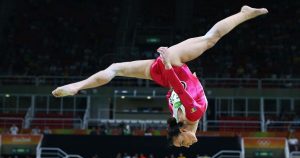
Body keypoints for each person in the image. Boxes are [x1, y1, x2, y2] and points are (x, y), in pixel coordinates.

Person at [52, 6, 268, 147]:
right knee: (115, 68)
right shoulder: (180, 116)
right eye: (183, 144)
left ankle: (244, 13)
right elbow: (176, 92)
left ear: (183, 130)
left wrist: (168, 65)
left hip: (171, 65)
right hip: (163, 74)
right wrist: (189, 80)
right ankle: (77, 86)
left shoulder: (194, 114)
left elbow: (179, 89)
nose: (187, 145)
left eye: (182, 143)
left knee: (211, 38)